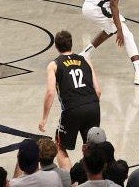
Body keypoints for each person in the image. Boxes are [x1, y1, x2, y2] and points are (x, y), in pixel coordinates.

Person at [38, 29, 100, 171]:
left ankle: (70, 181)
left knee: (59, 146)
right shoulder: (85, 61)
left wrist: (44, 119)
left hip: (72, 109)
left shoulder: (54, 65)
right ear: (71, 44)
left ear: (56, 46)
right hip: (93, 106)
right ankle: (92, 178)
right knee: (92, 146)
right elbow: (98, 90)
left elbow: (50, 92)